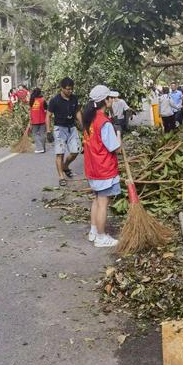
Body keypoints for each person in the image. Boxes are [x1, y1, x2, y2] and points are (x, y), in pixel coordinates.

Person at [83, 85, 121, 248]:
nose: (112, 100)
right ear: (105, 100)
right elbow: (115, 147)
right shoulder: (103, 122)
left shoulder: (89, 119)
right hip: (103, 168)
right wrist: (118, 134)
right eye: (110, 98)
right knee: (103, 202)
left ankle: (93, 231)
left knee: (97, 200)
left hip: (92, 167)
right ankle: (101, 236)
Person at [46, 77, 82, 186]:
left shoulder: (74, 98)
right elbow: (48, 116)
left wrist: (82, 124)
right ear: (62, 88)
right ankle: (61, 177)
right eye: (68, 89)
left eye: (71, 89)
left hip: (72, 128)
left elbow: (77, 112)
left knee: (75, 152)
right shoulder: (54, 101)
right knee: (60, 153)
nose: (70, 91)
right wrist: (48, 131)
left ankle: (65, 166)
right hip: (59, 129)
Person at [29, 88, 47, 153]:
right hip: (43, 119)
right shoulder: (43, 100)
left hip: (34, 120)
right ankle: (43, 148)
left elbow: (30, 110)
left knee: (34, 134)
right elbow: (46, 110)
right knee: (42, 134)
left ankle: (40, 148)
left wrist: (30, 119)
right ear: (40, 93)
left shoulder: (31, 100)